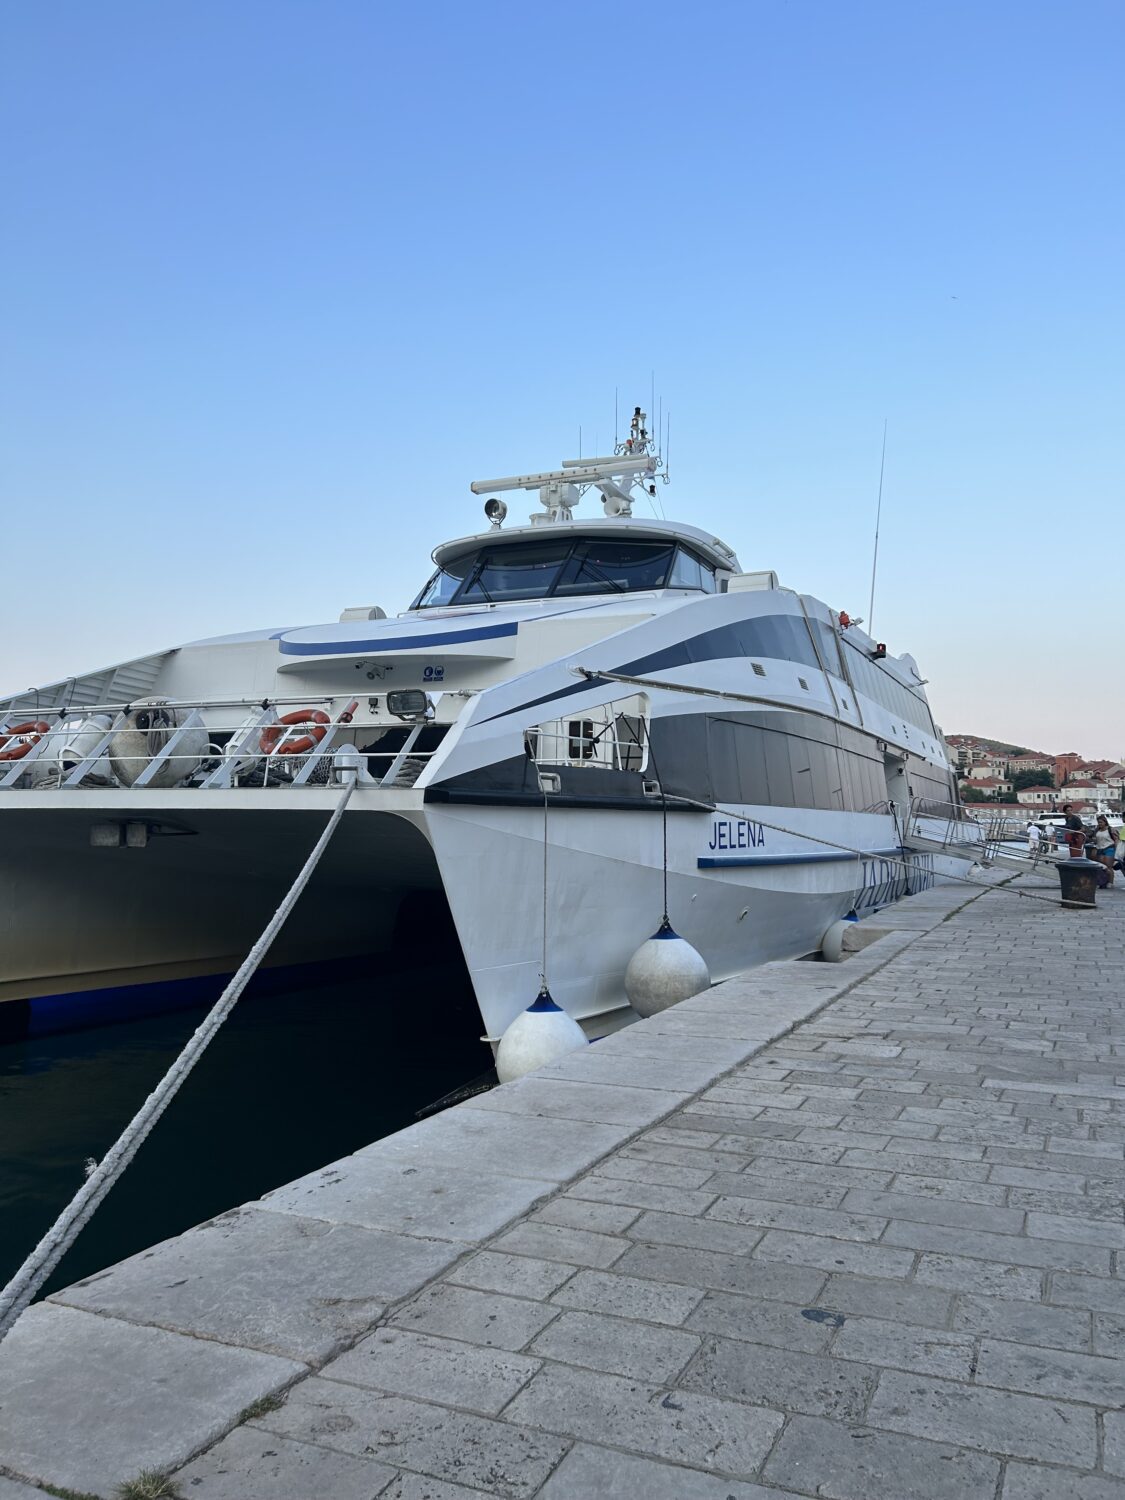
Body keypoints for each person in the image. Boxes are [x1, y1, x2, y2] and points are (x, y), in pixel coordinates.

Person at [1091, 814, 1116, 886]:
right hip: (1099, 849)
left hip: (1109, 848)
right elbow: (1094, 839)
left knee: (1109, 866)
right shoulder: (1097, 830)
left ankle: (1110, 882)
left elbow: (1116, 839)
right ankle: (1103, 881)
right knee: (1102, 867)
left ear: (1105, 822)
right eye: (1098, 822)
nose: (1100, 824)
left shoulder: (1110, 829)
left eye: (1101, 822)